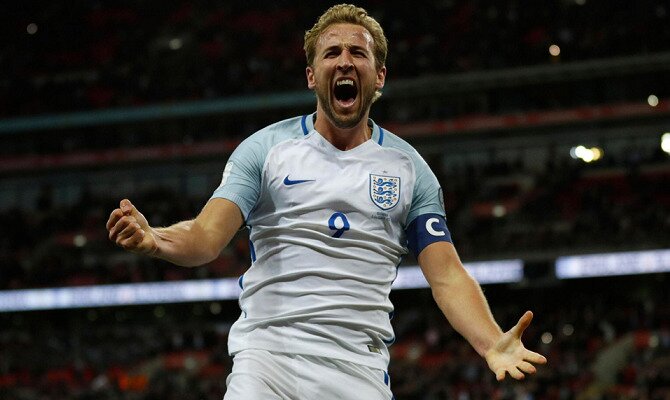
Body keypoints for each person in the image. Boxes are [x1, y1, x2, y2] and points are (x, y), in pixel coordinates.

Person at [107, 4, 547, 399]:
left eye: (358, 53)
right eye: (331, 52)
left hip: (358, 368)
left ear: (379, 76)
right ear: (312, 75)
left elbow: (447, 275)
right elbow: (205, 236)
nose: (345, 61)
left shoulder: (410, 170)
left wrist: (491, 342)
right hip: (268, 359)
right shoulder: (264, 151)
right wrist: (156, 239)